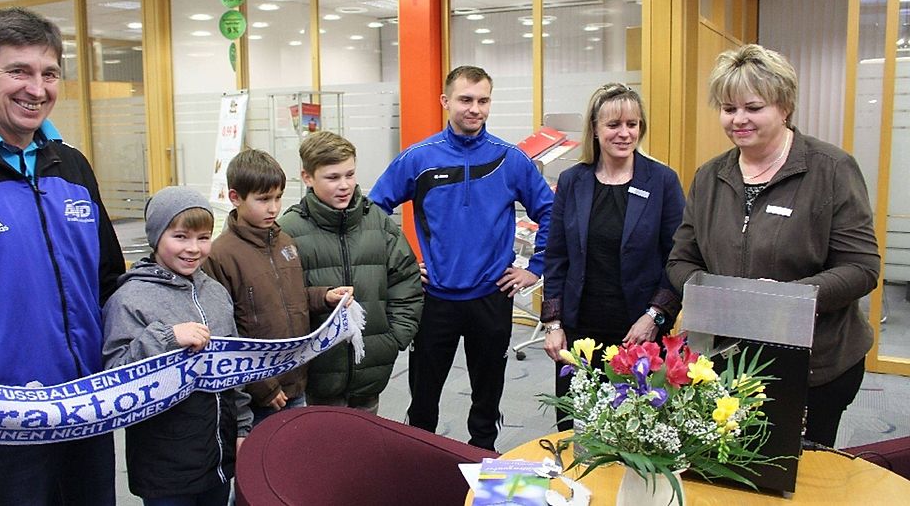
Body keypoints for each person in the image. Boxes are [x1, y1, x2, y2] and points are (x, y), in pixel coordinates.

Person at [0, 7, 125, 505]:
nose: (37, 88)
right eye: (18, 71)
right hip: (0, 418)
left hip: (87, 405)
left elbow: (108, 279)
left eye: (48, 73)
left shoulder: (70, 165)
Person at [667, 44, 880, 447]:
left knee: (799, 478)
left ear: (784, 106)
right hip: (726, 360)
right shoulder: (710, 176)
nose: (738, 120)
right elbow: (681, 258)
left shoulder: (831, 169)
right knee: (727, 469)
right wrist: (712, 293)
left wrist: (781, 300)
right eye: (728, 109)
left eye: (752, 107)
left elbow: (861, 267)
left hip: (815, 364)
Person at [369, 65, 554, 451]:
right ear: (446, 101)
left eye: (482, 100)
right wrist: (399, 267)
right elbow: (373, 211)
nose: (475, 109)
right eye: (465, 99)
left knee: (487, 397)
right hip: (434, 299)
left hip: (492, 298)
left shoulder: (509, 159)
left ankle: (482, 458)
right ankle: (422, 462)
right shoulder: (419, 159)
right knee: (423, 399)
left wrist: (533, 269)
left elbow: (552, 212)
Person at [541, 83, 686, 431]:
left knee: (636, 432)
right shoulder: (573, 181)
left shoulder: (662, 181)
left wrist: (655, 316)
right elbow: (556, 257)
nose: (624, 133)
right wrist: (554, 324)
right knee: (577, 431)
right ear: (594, 128)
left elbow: (678, 259)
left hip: (639, 333)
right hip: (580, 332)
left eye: (632, 124)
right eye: (613, 125)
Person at [102, 186, 254, 504]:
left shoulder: (216, 293)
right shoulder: (130, 299)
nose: (194, 249)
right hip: (165, 469)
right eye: (181, 237)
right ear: (157, 237)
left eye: (203, 237)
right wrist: (168, 338)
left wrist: (242, 427)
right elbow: (115, 375)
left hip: (218, 459)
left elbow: (234, 370)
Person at [203, 148, 353, 425]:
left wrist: (325, 296)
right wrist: (263, 385)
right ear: (235, 198)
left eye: (278, 197)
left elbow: (291, 299)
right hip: (257, 393)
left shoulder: (285, 242)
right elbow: (226, 332)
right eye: (263, 199)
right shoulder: (220, 255)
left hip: (297, 380)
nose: (273, 208)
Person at [277, 131, 422, 415]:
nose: (344, 185)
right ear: (307, 177)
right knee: (324, 455)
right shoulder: (289, 231)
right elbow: (284, 303)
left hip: (371, 371)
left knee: (364, 451)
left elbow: (406, 282)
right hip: (318, 376)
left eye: (350, 174)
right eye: (332, 177)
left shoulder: (378, 223)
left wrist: (393, 340)